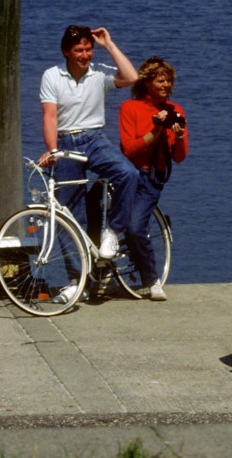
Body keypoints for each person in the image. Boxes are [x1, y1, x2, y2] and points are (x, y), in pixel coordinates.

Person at [39, 25, 143, 299]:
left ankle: (112, 232)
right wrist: (52, 150)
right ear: (66, 52)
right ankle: (77, 282)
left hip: (94, 140)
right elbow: (50, 116)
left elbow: (131, 77)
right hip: (65, 142)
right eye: (78, 50)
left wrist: (108, 44)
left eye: (88, 49)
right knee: (65, 213)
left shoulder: (99, 73)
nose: (84, 55)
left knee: (128, 174)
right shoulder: (52, 75)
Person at [118, 57, 188, 301]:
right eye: (160, 80)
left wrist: (177, 137)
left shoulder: (175, 111)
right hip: (128, 174)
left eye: (168, 80)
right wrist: (155, 131)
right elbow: (129, 150)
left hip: (152, 177)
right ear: (147, 82)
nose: (166, 84)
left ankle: (151, 279)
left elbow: (179, 157)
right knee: (108, 220)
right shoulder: (130, 108)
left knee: (135, 227)